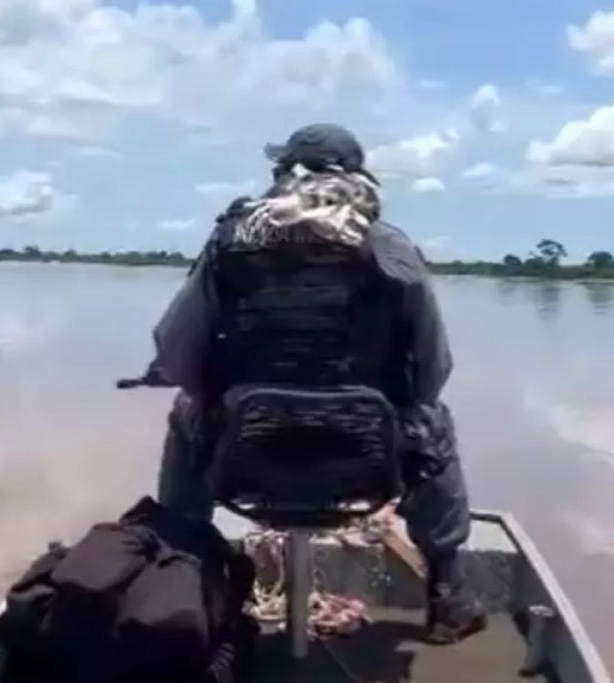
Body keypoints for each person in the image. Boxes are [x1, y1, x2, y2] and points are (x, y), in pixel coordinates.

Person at [145, 123, 487, 644]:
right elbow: (431, 373)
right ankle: (448, 594)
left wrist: (220, 395)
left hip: (246, 459)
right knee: (430, 420)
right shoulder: (391, 249)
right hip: (364, 466)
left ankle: (182, 576)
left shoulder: (231, 242)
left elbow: (177, 354)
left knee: (187, 410)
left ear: (283, 175)